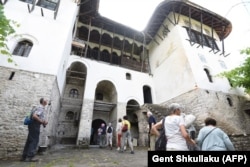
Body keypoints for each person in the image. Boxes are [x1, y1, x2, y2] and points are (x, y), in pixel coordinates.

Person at [21, 98, 48, 162]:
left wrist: (43, 122)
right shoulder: (41, 108)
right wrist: (42, 122)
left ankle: (24, 156)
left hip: (32, 124)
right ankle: (30, 157)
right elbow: (35, 116)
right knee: (34, 140)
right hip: (35, 125)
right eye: (46, 100)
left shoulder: (37, 107)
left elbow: (35, 116)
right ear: (43, 102)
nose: (47, 101)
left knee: (29, 140)